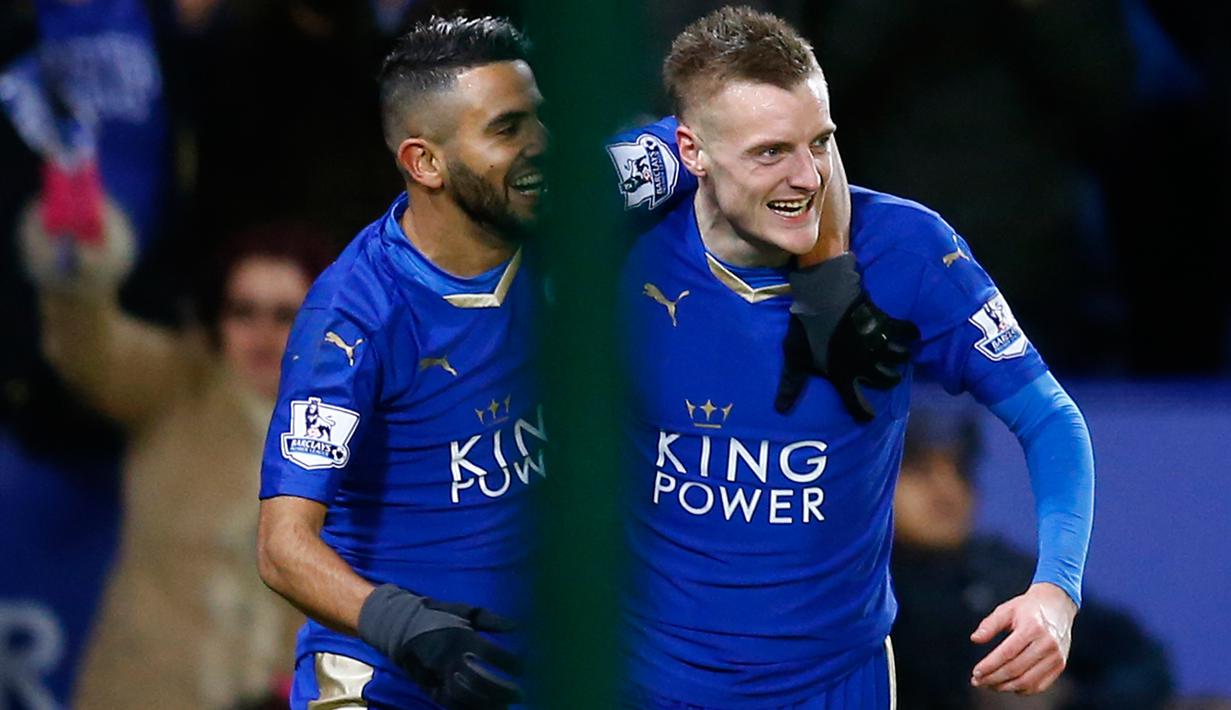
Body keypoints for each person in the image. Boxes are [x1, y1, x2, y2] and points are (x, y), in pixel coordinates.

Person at [612, 7, 1095, 707]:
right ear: (692, 153)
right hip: (644, 684)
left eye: (819, 142)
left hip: (836, 688)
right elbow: (526, 192)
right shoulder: (628, 240)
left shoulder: (907, 249)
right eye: (769, 152)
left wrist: (1056, 590)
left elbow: (1050, 418)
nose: (804, 176)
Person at [255, 15, 546, 709]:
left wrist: (824, 271)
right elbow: (281, 546)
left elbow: (717, 137)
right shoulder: (353, 321)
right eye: (507, 130)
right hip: (388, 678)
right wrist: (414, 630)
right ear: (425, 163)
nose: (543, 146)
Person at [20, 172, 331, 706]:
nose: (262, 335)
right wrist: (74, 264)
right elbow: (87, 345)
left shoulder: (364, 429)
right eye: (243, 312)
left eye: (286, 315)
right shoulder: (173, 384)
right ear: (217, 319)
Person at [891, 399, 1173, 709]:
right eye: (920, 470)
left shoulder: (1015, 580)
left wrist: (1067, 701)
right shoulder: (858, 587)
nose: (946, 490)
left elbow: (1143, 664)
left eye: (960, 470)